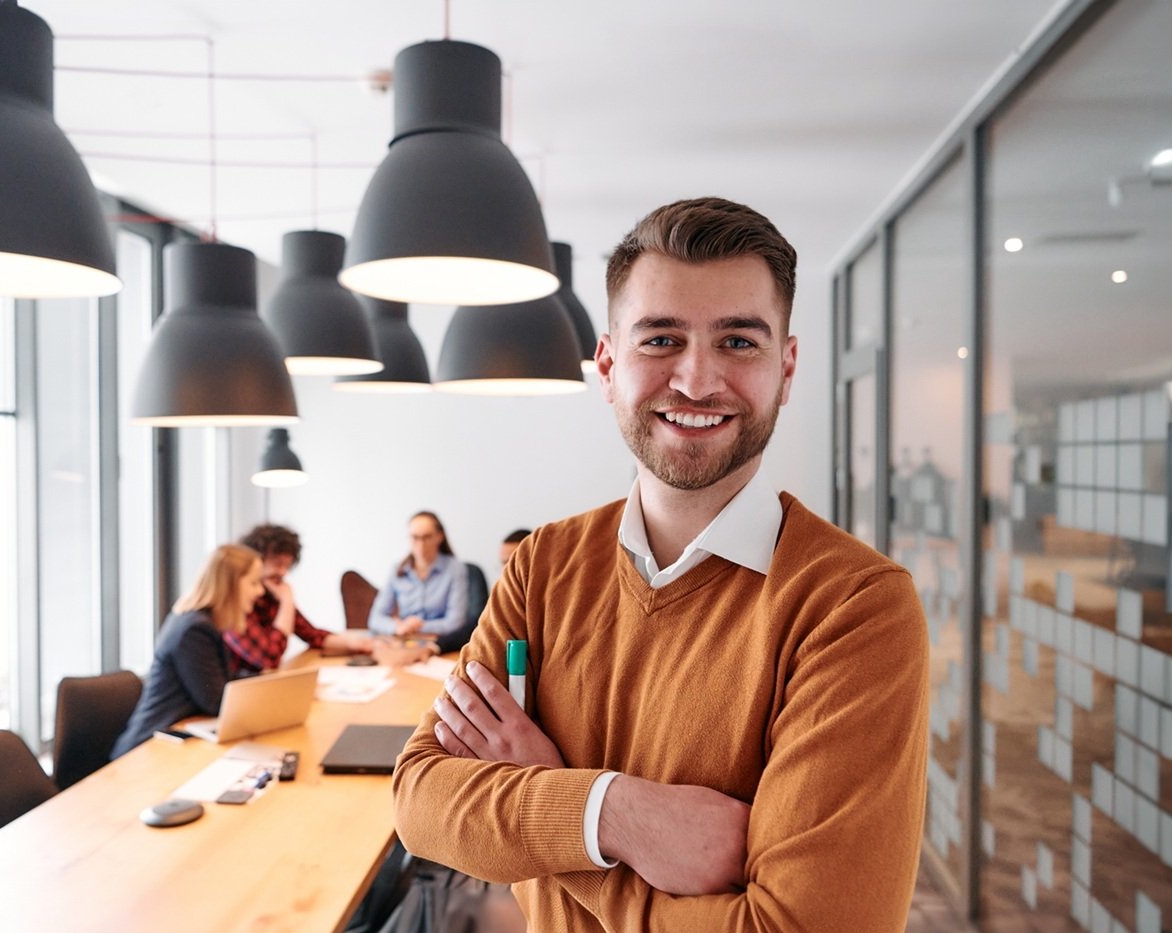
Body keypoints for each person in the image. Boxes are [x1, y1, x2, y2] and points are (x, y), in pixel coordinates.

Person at [391, 197, 929, 930]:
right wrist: (614, 812)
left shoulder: (854, 607)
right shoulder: (542, 566)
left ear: (787, 365)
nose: (698, 380)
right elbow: (422, 799)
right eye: (661, 340)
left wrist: (544, 798)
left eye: (738, 341)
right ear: (608, 364)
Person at [110, 544, 263, 758]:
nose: (260, 591)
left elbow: (221, 679)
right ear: (229, 585)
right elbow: (215, 702)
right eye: (254, 583)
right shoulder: (194, 630)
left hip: (176, 739)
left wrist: (265, 682)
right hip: (148, 750)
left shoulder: (202, 622)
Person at [226, 523, 373, 674]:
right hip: (241, 689)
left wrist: (354, 644)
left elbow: (311, 634)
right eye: (278, 564)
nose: (283, 573)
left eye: (287, 566)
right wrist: (287, 601)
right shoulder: (235, 604)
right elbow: (270, 658)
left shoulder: (272, 596)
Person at [368, 511, 469, 641]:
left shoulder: (455, 569)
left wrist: (419, 626)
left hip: (441, 643)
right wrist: (397, 627)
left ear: (439, 537)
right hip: (404, 641)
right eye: (415, 537)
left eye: (427, 537)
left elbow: (456, 621)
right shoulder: (397, 570)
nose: (421, 544)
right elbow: (376, 618)